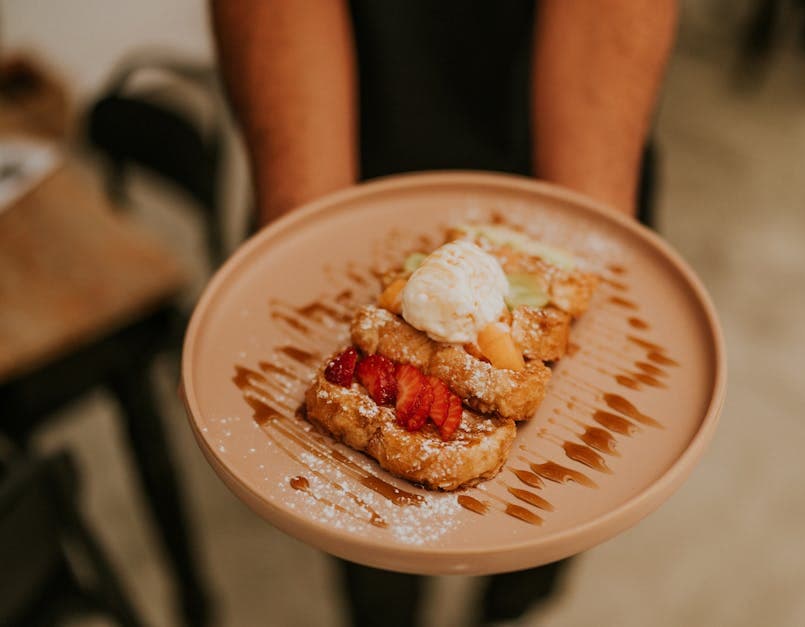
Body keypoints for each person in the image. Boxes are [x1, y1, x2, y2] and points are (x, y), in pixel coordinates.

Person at [211, 1, 676, 625]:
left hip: (569, 133)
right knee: (366, 548)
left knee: (546, 528)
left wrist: (585, 231)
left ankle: (508, 608)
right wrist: (309, 233)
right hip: (355, 138)